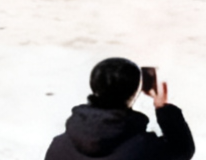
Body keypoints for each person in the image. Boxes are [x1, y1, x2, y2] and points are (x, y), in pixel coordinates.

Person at [45, 57, 195, 160]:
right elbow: (182, 150)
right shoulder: (146, 149)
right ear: (136, 91)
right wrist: (163, 108)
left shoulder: (58, 146)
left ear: (93, 86)